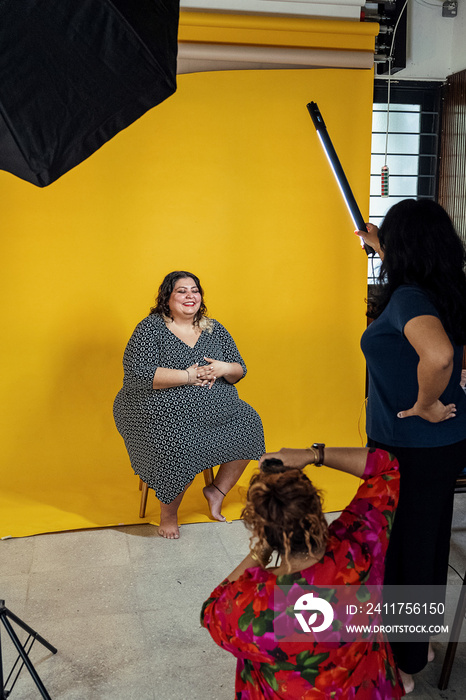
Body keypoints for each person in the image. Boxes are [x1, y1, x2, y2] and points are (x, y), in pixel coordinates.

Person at [358, 199, 466, 692]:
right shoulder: (449, 288)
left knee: (402, 553)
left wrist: (424, 401)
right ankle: (415, 646)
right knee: (423, 547)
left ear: (403, 249)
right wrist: (377, 242)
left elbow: (439, 354)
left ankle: (403, 665)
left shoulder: (407, 298)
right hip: (441, 444)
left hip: (409, 444)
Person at [201, 445, 404, 699]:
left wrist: (262, 552)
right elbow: (386, 467)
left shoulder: (251, 608)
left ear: (262, 532)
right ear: (317, 513)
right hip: (366, 688)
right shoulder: (360, 546)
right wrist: (314, 455)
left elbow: (211, 609)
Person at [113, 270, 264, 539]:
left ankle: (216, 491)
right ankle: (169, 514)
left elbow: (239, 370)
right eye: (181, 291)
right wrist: (189, 375)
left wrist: (221, 368)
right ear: (167, 298)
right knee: (179, 440)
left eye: (194, 290)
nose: (190, 296)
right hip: (154, 408)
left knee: (249, 421)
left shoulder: (214, 328)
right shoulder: (151, 328)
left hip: (218, 410)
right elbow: (139, 374)